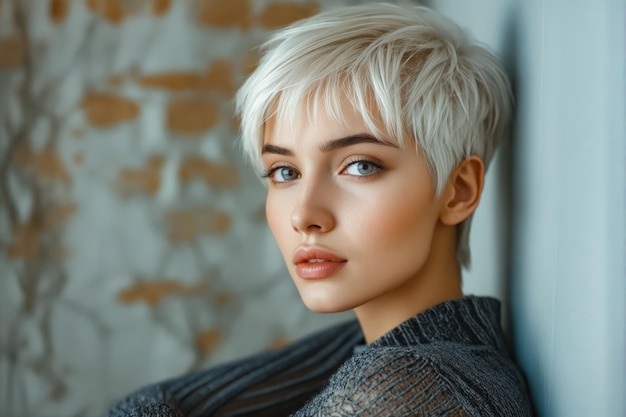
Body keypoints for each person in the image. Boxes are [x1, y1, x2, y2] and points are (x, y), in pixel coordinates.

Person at [107, 3, 534, 416]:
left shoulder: (418, 386)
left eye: (360, 166)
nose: (304, 215)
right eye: (285, 172)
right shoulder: (402, 357)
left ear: (458, 191)